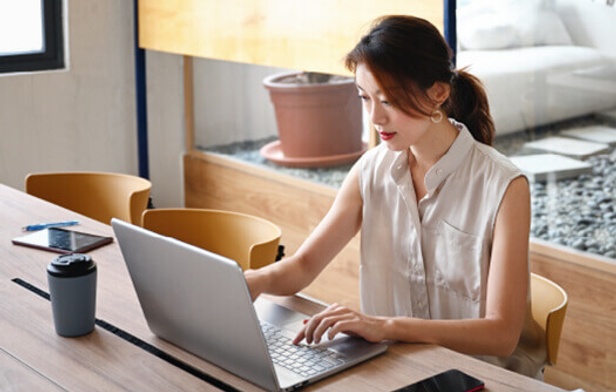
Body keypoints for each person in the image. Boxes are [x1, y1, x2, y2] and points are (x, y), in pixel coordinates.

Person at [245, 15, 546, 378]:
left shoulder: (504, 186)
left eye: (387, 100)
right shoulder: (370, 171)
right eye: (364, 98)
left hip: (483, 378)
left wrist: (385, 326)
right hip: (401, 371)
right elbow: (304, 266)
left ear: (438, 93)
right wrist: (253, 281)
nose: (374, 117)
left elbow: (501, 335)